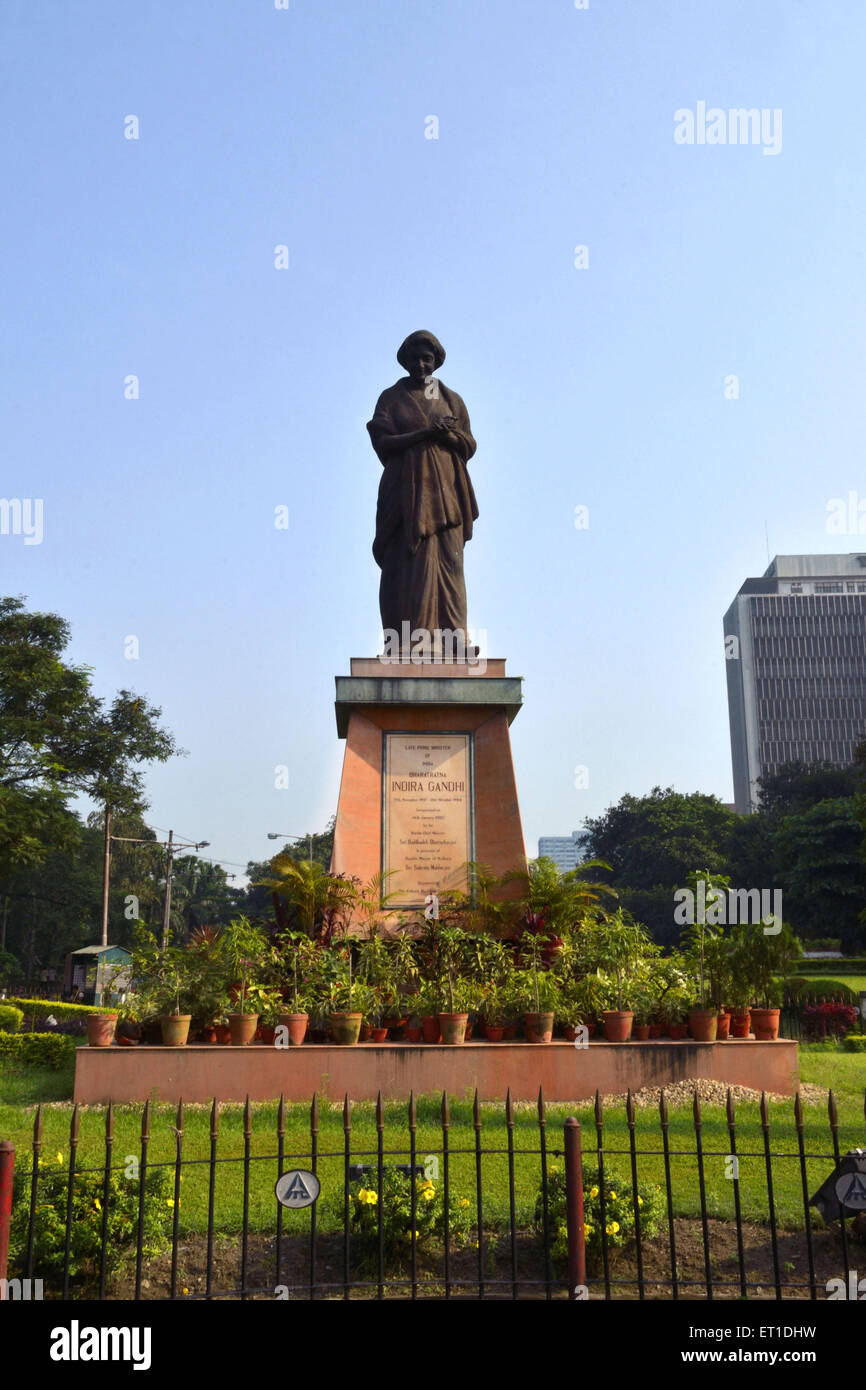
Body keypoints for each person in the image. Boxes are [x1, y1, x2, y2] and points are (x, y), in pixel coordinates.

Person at [367, 331, 478, 654]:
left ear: (436, 361)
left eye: (426, 358)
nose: (420, 364)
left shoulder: (451, 398)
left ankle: (454, 641)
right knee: (404, 563)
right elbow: (383, 443)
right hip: (404, 493)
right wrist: (423, 433)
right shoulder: (391, 397)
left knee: (450, 564)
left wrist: (447, 436)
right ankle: (404, 643)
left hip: (446, 493)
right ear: (405, 360)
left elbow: (469, 445)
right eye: (415, 358)